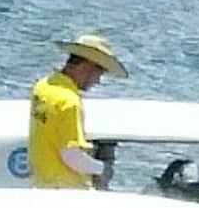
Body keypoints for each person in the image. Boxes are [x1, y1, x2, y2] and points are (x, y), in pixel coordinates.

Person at [27, 33, 125, 188]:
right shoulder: (69, 102)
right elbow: (71, 156)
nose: (97, 81)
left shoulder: (42, 87)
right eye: (98, 74)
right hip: (66, 192)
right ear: (85, 67)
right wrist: (103, 169)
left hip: (41, 185)